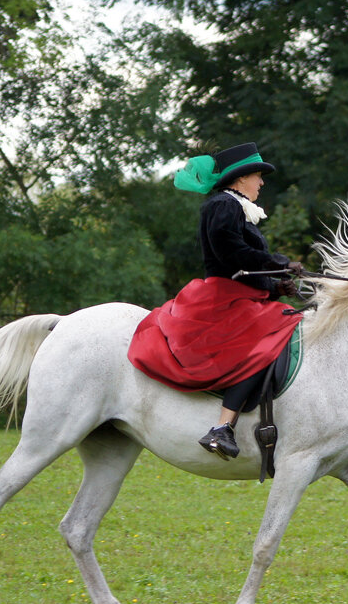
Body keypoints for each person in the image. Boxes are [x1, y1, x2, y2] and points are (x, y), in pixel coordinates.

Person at [127, 142, 303, 459]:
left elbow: (243, 268)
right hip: (223, 298)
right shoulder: (224, 206)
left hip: (239, 293)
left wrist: (277, 286)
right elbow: (231, 254)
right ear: (240, 178)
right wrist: (276, 264)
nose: (262, 182)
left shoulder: (234, 206)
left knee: (282, 319)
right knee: (263, 344)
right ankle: (222, 427)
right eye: (258, 176)